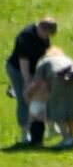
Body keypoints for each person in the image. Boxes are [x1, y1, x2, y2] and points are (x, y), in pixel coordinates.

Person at [6, 16, 57, 144]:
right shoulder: (26, 37)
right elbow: (23, 63)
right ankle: (24, 135)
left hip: (34, 68)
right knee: (24, 100)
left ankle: (49, 128)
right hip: (17, 69)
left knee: (42, 96)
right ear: (40, 27)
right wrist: (27, 84)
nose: (47, 37)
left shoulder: (44, 37)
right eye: (46, 34)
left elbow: (46, 56)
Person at [30, 49, 73, 150]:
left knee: (56, 108)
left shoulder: (44, 61)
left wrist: (27, 93)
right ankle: (71, 137)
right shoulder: (66, 58)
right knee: (72, 106)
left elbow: (37, 82)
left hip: (60, 78)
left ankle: (65, 138)